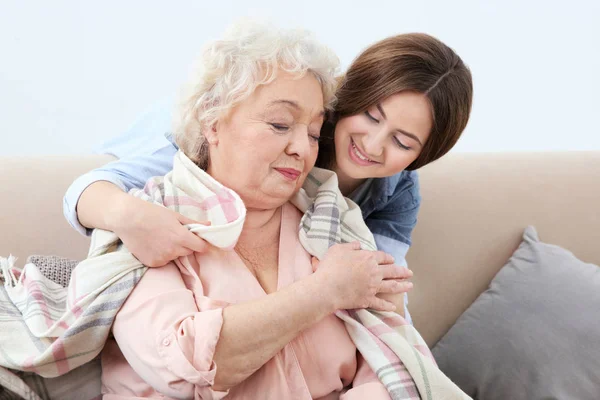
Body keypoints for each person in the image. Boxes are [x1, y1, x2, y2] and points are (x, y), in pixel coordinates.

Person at [63, 29, 472, 323]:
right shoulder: (242, 136)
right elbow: (87, 190)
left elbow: (384, 289)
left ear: (424, 154)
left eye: (402, 141)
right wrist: (132, 217)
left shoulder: (398, 191)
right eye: (371, 116)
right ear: (352, 96)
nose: (374, 145)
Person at [96, 21, 411, 399]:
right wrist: (325, 291)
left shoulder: (336, 221)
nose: (301, 148)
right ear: (212, 121)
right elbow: (182, 368)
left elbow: (390, 363)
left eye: (313, 133)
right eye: (280, 124)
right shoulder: (149, 221)